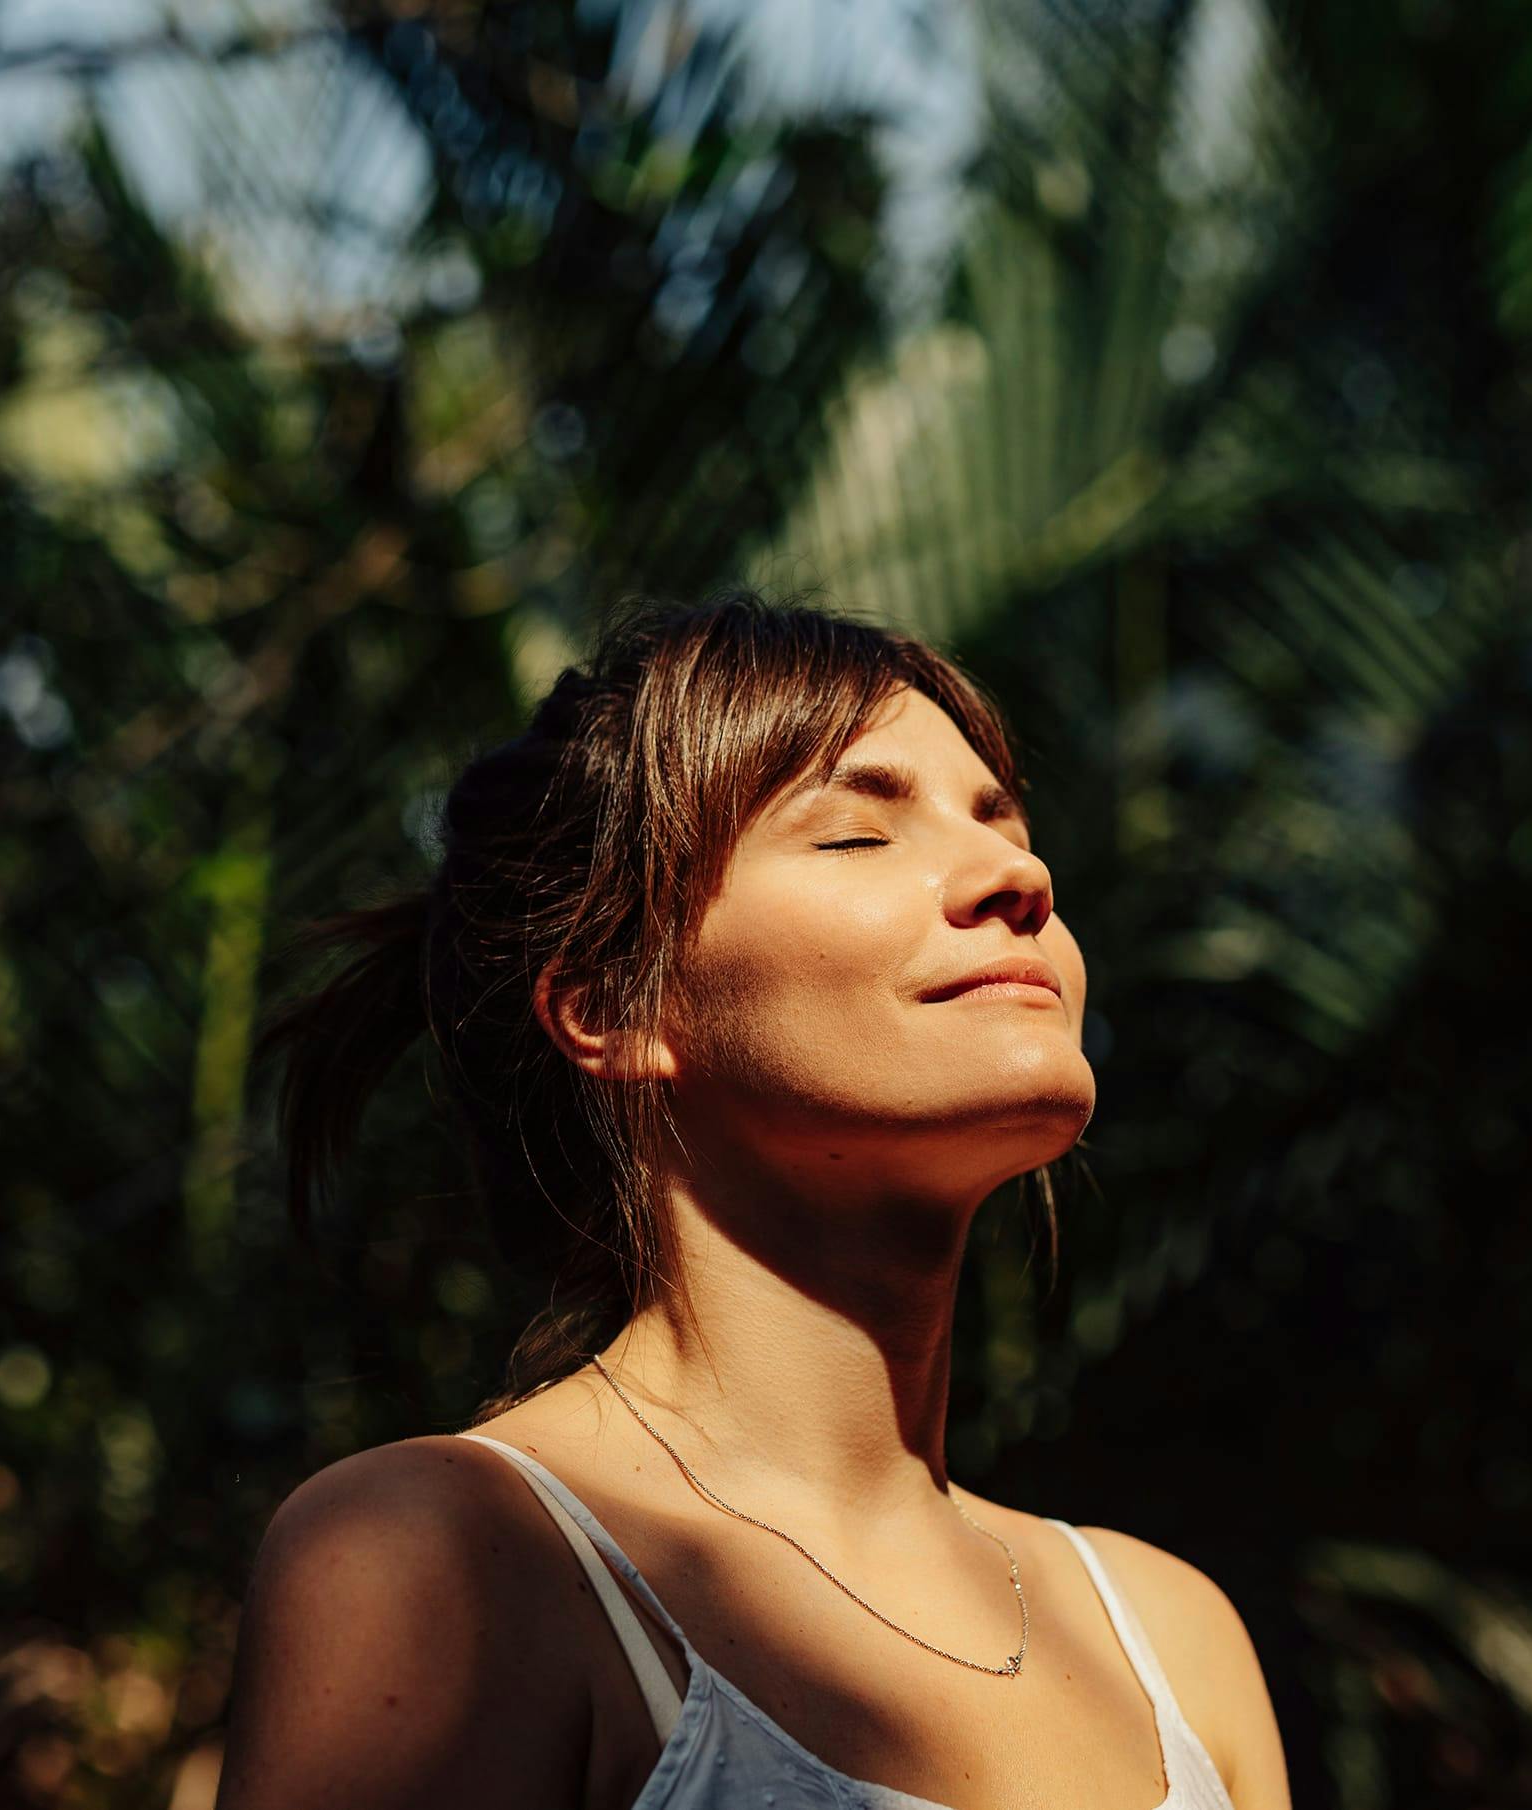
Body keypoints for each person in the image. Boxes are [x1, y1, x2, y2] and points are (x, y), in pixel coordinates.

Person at [215, 593, 1291, 1810]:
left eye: (1003, 822)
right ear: (613, 1006)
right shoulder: (452, 1558)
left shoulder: (1172, 1640)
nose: (1021, 875)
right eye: (857, 835)